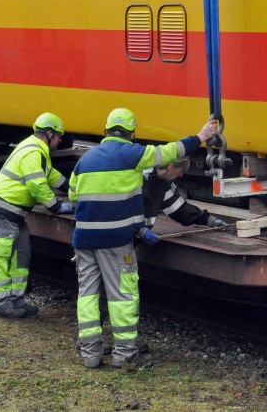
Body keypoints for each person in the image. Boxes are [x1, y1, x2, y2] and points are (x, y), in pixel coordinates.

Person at [70, 108, 220, 369]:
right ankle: (126, 353)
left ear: (106, 130)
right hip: (114, 241)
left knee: (88, 294)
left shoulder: (86, 160)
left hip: (83, 238)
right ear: (131, 133)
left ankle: (90, 353)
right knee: (122, 295)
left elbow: (73, 196)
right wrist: (201, 136)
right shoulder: (131, 154)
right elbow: (171, 151)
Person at [0, 112, 73, 318]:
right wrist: (56, 207)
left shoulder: (37, 150)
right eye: (58, 136)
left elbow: (52, 176)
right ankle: (0, 302)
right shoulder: (33, 152)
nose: (60, 141)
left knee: (21, 255)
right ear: (49, 133)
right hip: (3, 210)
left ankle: (16, 299)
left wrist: (74, 189)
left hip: (14, 213)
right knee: (2, 257)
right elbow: (37, 185)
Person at [141, 158, 227, 233]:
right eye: (181, 171)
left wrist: (208, 220)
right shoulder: (138, 181)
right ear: (171, 167)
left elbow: (179, 209)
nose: (181, 175)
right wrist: (141, 232)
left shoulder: (162, 183)